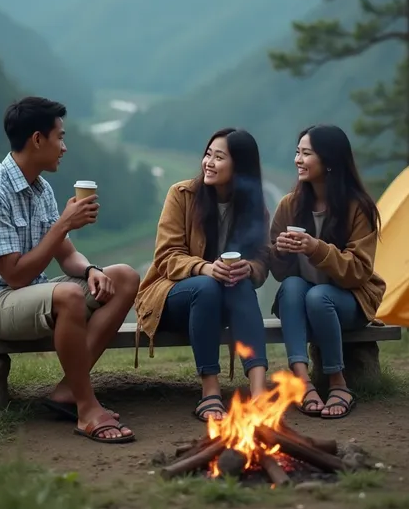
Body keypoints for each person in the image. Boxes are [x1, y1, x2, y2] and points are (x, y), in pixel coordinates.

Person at [0, 96, 140, 444]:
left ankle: (69, 390)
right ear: (38, 139)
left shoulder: (40, 189)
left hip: (29, 294)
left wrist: (91, 271)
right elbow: (15, 276)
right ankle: (87, 410)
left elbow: (67, 256)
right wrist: (63, 225)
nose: (64, 147)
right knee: (67, 296)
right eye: (60, 138)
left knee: (124, 276)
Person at [135, 128, 270, 422]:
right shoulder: (182, 195)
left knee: (241, 284)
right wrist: (206, 267)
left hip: (222, 303)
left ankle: (259, 392)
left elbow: (263, 258)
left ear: (240, 166)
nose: (208, 162)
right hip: (172, 299)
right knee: (208, 286)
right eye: (208, 154)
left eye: (219, 157)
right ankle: (210, 393)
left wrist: (250, 268)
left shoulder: (252, 206)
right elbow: (166, 257)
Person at [270, 125, 386, 420]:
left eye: (306, 153)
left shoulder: (358, 207)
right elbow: (280, 273)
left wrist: (315, 248)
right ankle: (302, 382)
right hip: (305, 296)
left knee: (319, 296)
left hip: (349, 299)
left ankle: (338, 382)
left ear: (330, 161)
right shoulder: (290, 205)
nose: (298, 159)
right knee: (293, 286)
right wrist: (280, 252)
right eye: (297, 152)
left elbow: (358, 271)